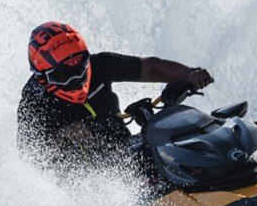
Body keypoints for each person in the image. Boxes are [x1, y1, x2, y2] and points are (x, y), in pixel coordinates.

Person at [17, 21, 213, 171]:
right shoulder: (34, 101)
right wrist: (61, 137)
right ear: (42, 76)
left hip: (126, 152)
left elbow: (150, 68)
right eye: (63, 75)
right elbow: (29, 156)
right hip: (82, 183)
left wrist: (188, 74)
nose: (76, 80)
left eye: (80, 68)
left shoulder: (101, 64)